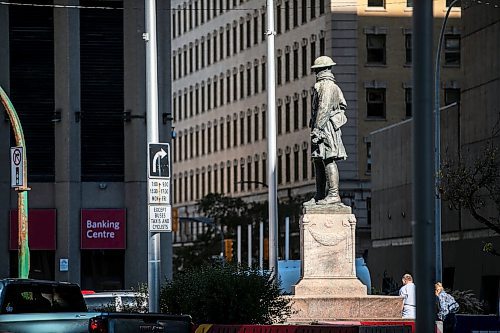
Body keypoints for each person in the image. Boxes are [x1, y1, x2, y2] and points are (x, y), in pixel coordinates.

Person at [303, 56, 348, 206]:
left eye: (317, 70)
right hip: (323, 127)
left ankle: (333, 194)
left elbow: (324, 108)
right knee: (319, 160)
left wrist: (318, 129)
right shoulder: (331, 86)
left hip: (325, 128)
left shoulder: (326, 86)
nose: (316, 73)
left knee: (328, 158)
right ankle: (320, 194)